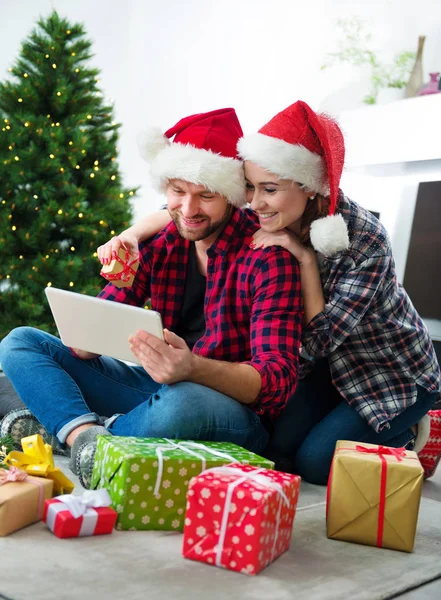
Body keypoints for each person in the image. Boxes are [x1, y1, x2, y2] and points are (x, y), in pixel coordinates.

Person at [99, 100, 441, 485]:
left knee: (313, 465)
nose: (254, 201)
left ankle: (408, 432)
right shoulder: (267, 212)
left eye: (269, 190)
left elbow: (322, 338)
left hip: (384, 372)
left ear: (310, 188)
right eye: (249, 186)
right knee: (279, 453)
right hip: (318, 370)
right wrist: (131, 233)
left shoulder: (362, 239)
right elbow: (187, 208)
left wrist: (305, 262)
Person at [0, 108, 303, 488]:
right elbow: (88, 343)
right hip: (153, 388)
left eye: (206, 196)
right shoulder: (161, 241)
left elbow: (276, 382)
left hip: (225, 410)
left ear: (231, 194)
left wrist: (192, 367)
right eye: (178, 192)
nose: (188, 209)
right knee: (20, 342)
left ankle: (67, 426)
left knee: (184, 402)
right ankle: (85, 439)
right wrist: (87, 334)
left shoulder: (269, 258)